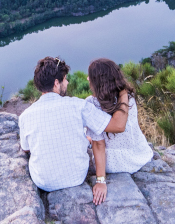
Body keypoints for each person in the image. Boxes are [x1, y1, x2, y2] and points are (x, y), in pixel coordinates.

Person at [18, 56, 128, 205]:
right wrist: (123, 92)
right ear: (56, 83)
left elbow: (26, 149)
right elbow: (118, 126)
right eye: (65, 79)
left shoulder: (25, 116)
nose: (67, 82)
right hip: (76, 177)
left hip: (43, 182)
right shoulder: (79, 106)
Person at [86, 59, 153, 189]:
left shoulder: (91, 103)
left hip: (111, 163)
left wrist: (101, 181)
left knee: (92, 136)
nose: (88, 78)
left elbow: (99, 144)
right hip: (137, 157)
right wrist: (124, 92)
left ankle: (87, 138)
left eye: (91, 77)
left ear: (98, 81)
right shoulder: (128, 99)